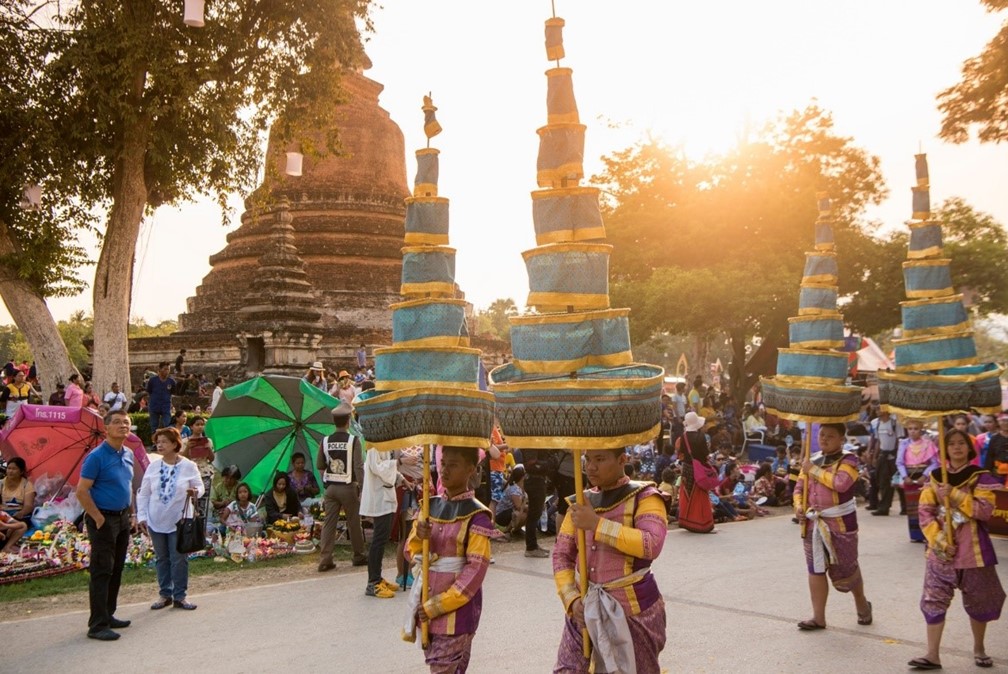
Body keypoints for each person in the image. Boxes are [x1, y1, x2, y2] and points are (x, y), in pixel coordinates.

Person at [552, 447, 668, 673]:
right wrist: (571, 599)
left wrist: (597, 524)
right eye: (587, 459)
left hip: (634, 611)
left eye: (600, 459)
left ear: (622, 459)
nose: (590, 466)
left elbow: (651, 544)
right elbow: (561, 555)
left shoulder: (646, 497)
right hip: (583, 608)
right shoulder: (580, 502)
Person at [908, 428, 1005, 670]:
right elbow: (925, 513)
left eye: (962, 443)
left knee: (979, 602)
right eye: (951, 444)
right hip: (942, 552)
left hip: (974, 551)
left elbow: (984, 512)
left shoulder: (981, 477)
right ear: (945, 448)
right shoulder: (935, 476)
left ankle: (979, 648)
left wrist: (954, 494)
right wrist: (940, 541)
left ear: (970, 448)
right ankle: (932, 655)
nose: (957, 447)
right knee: (933, 600)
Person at [403, 446, 495, 673]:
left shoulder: (478, 515)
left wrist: (439, 605)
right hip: (426, 603)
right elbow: (410, 553)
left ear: (471, 469)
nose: (444, 470)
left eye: (453, 465)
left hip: (457, 611)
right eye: (443, 463)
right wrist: (419, 536)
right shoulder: (430, 504)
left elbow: (476, 569)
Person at [794, 422, 873, 631]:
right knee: (815, 568)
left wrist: (814, 470)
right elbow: (799, 487)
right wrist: (798, 507)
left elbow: (841, 484)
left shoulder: (849, 460)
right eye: (822, 435)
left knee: (847, 568)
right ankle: (818, 617)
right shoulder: (811, 460)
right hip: (813, 524)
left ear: (841, 439)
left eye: (830, 436)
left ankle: (862, 603)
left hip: (841, 524)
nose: (824, 439)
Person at [75, 408, 136, 641]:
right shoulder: (96, 457)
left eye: (126, 422)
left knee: (117, 568)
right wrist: (98, 517)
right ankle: (97, 624)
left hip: (121, 518)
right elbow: (81, 491)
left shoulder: (127, 453)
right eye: (118, 422)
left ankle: (109, 614)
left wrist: (131, 513)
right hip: (103, 519)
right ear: (106, 428)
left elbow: (126, 485)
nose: (123, 425)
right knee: (102, 570)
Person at [136, 426, 203, 611]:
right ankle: (165, 594)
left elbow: (200, 486)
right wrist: (142, 516)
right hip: (156, 519)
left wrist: (195, 492)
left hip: (179, 521)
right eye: (158, 441)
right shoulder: (153, 466)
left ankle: (180, 596)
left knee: (179, 558)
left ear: (175, 444)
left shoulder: (189, 466)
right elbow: (144, 493)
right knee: (162, 558)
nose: (160, 445)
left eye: (164, 441)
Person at [315, 402, 368, 572]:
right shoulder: (354, 441)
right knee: (354, 522)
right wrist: (362, 487)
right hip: (348, 487)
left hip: (330, 488)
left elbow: (320, 466)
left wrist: (327, 482)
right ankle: (359, 555)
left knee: (329, 523)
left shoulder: (325, 441)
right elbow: (358, 467)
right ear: (348, 421)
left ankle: (325, 558)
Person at [360, 434, 403, 598]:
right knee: (378, 540)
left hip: (385, 497)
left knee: (382, 539)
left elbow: (388, 468)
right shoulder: (373, 446)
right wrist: (398, 463)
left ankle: (377, 577)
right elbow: (377, 467)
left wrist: (402, 478)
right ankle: (373, 582)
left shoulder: (384, 443)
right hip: (379, 499)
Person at [891, 419, 940, 543]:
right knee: (912, 507)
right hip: (909, 477)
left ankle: (928, 532)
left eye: (916, 429)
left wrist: (924, 476)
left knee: (926, 505)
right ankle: (915, 534)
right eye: (910, 429)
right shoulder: (904, 443)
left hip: (924, 477)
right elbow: (900, 462)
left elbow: (935, 463)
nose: (913, 431)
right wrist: (904, 476)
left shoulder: (928, 444)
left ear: (921, 429)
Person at [676, 412, 722, 533]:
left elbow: (681, 453)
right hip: (698, 468)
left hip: (686, 468)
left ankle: (687, 522)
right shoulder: (701, 436)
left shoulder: (683, 436)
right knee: (701, 496)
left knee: (687, 494)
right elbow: (705, 454)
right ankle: (704, 525)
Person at [866, 408, 902, 514]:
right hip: (883, 455)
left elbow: (899, 440)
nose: (877, 411)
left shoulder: (895, 423)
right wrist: (875, 457)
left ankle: (905, 507)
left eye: (880, 408)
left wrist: (899, 457)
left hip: (894, 456)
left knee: (898, 482)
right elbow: (878, 441)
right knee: (883, 482)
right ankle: (884, 508)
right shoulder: (877, 424)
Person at [494, 464, 528, 535]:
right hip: (501, 516)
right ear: (523, 476)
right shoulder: (514, 489)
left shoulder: (520, 487)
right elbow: (519, 507)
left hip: (507, 513)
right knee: (522, 513)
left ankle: (516, 529)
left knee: (527, 512)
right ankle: (508, 530)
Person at [145, 362, 176, 439]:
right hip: (154, 406)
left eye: (168, 369)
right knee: (154, 427)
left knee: (168, 425)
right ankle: (155, 443)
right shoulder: (152, 381)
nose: (167, 371)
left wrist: (171, 405)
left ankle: (168, 442)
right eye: (165, 369)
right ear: (159, 369)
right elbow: (149, 392)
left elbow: (172, 393)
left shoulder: (171, 382)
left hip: (166, 406)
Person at [1, 457, 35, 523]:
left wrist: (21, 513)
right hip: (3, 514)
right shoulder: (1, 484)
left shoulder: (27, 485)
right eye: (9, 468)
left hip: (19, 515)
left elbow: (28, 506)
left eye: (14, 469)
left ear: (21, 471)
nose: (10, 471)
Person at [982, 413, 1008, 485]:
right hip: (998, 474)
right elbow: (989, 457)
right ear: (998, 422)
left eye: (1007, 420)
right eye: (1003, 420)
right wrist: (986, 474)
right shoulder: (994, 438)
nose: (1005, 423)